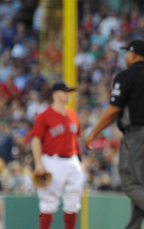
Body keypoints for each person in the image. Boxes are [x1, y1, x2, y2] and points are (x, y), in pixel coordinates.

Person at [84, 39, 144, 229]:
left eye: (127, 53)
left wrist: (93, 133)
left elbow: (113, 110)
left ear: (134, 54)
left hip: (137, 136)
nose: (126, 56)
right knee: (143, 190)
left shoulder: (126, 76)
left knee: (131, 185)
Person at [29, 81, 85, 229]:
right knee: (48, 202)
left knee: (73, 201)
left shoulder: (73, 114)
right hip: (52, 160)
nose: (68, 94)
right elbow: (36, 140)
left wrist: (80, 161)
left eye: (68, 92)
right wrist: (38, 162)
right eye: (64, 91)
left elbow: (76, 139)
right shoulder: (44, 116)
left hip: (72, 159)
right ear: (55, 93)